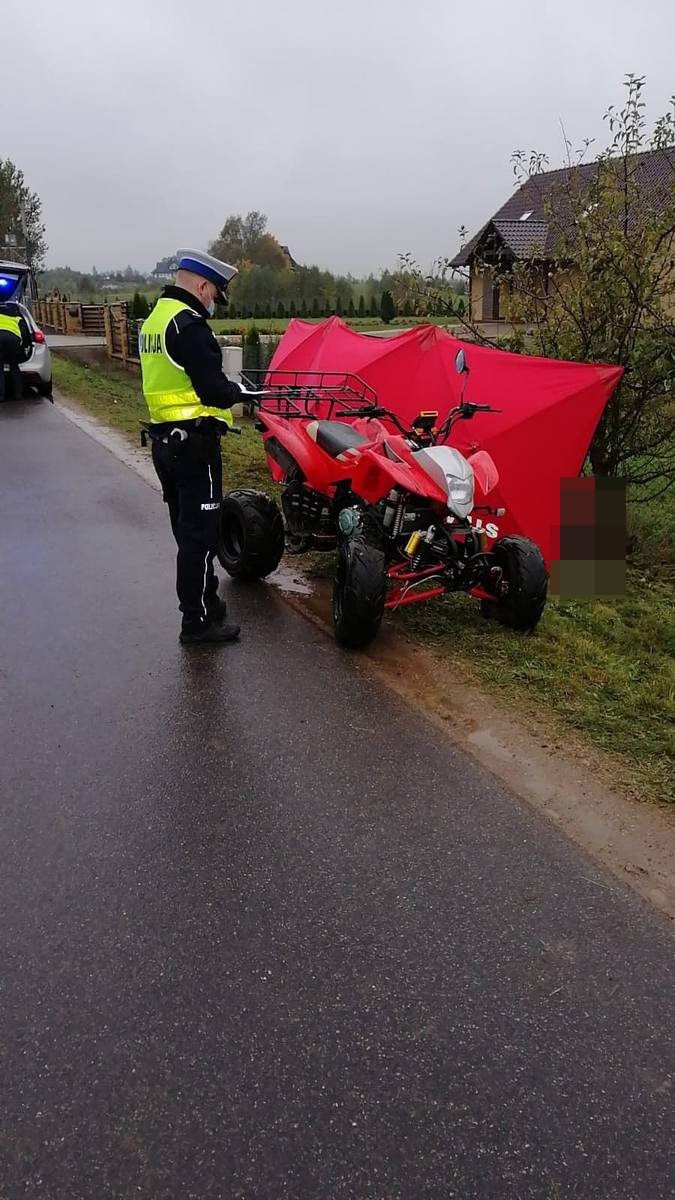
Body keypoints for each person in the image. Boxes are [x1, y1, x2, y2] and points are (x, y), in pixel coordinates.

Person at [139, 249, 243, 645]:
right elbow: (214, 390)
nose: (213, 300)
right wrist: (239, 391)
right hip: (195, 446)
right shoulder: (189, 325)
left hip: (165, 442)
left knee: (187, 533)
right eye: (214, 293)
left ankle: (208, 601)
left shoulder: (155, 319)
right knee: (200, 537)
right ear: (201, 286)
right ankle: (197, 622)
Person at [0, 301, 32, 402]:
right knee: (14, 365)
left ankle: (1, 396)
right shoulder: (18, 317)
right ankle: (18, 394)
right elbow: (25, 335)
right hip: (13, 340)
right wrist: (21, 348)